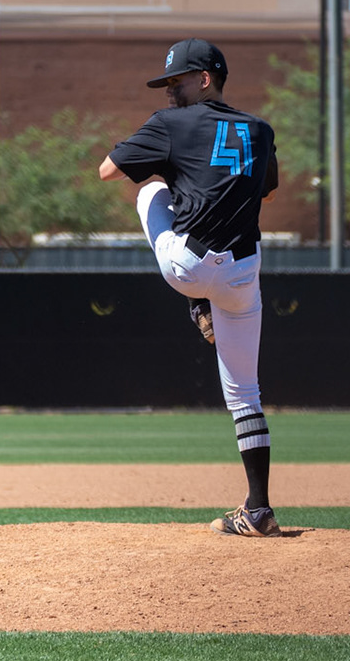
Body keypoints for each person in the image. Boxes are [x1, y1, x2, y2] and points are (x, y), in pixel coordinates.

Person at [99, 39, 283, 538]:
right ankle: (259, 510)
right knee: (245, 393)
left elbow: (107, 170)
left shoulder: (170, 124)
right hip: (243, 272)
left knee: (150, 191)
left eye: (176, 81)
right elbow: (267, 190)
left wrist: (168, 158)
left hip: (190, 266)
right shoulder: (261, 130)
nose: (168, 91)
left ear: (204, 79)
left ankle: (198, 304)